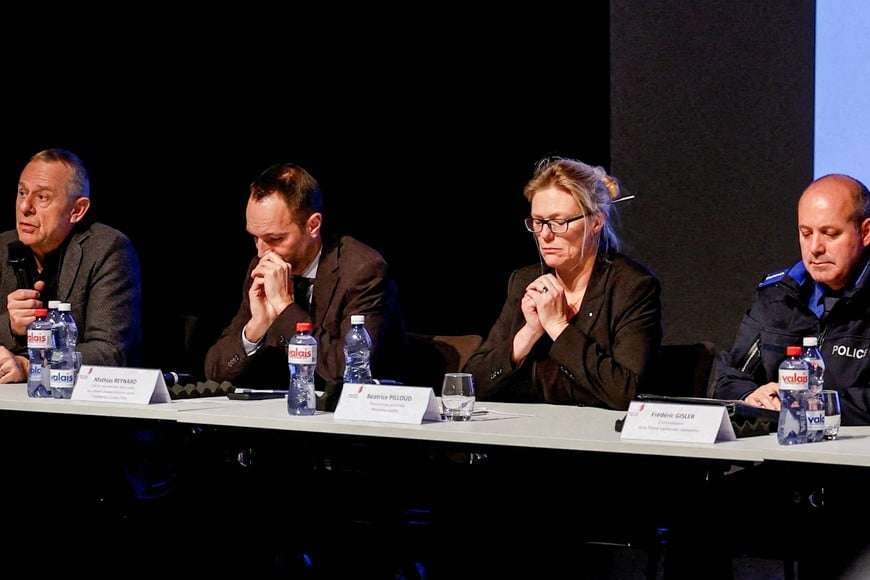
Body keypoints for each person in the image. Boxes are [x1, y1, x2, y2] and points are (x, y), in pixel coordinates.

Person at [463, 156, 663, 410]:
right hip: (527, 429)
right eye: (538, 222)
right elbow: (470, 386)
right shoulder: (525, 281)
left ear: (596, 222)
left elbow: (626, 393)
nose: (545, 235)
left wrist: (558, 327)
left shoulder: (631, 287)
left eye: (559, 222)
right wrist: (528, 333)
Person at [204, 161, 407, 409]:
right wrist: (255, 328)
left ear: (312, 225)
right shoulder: (263, 267)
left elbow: (345, 372)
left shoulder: (362, 270)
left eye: (275, 238)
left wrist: (285, 307)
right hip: (278, 417)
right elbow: (215, 373)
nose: (261, 251)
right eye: (255, 238)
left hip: (356, 418)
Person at [711, 173, 870, 425]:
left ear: (866, 232)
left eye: (830, 234)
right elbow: (728, 378)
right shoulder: (778, 295)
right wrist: (751, 396)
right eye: (806, 233)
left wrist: (807, 403)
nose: (815, 248)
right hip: (781, 444)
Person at [0, 148, 143, 383]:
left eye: (42, 197)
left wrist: (31, 365)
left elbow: (110, 352)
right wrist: (11, 326)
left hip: (86, 399)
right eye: (22, 192)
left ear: (77, 210)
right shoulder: (2, 247)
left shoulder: (107, 249)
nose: (25, 207)